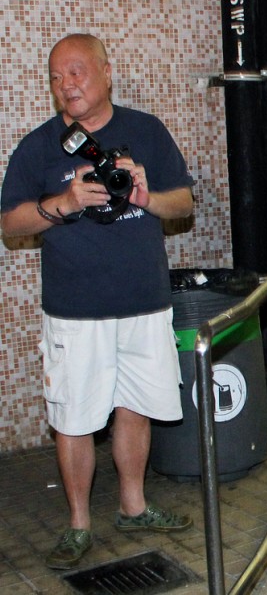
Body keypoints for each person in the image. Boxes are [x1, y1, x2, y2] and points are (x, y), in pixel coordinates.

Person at [0, 34, 195, 570]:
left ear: (106, 72)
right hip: (74, 308)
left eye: (78, 72)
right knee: (74, 416)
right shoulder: (41, 146)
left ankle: (134, 506)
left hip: (144, 301)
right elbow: (10, 222)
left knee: (136, 406)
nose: (68, 85)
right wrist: (63, 203)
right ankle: (79, 522)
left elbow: (182, 202)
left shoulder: (145, 131)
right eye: (58, 77)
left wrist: (144, 196)